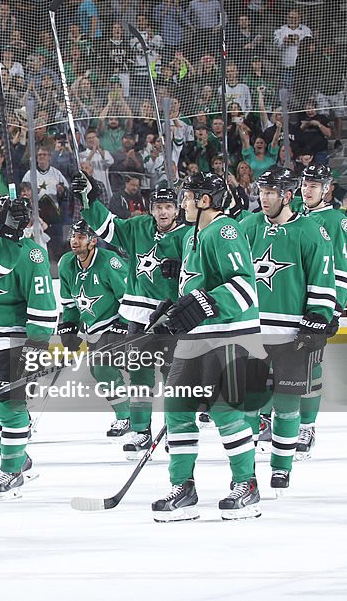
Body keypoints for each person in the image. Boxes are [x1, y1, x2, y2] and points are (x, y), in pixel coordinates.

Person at [149, 172, 262, 522]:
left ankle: (247, 483)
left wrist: (202, 304)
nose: (182, 203)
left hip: (228, 335)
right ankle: (183, 485)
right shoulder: (192, 236)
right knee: (177, 409)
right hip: (195, 339)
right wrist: (175, 306)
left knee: (226, 411)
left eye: (187, 197)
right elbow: (196, 289)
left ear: (204, 200)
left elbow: (245, 288)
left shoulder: (225, 230)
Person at [73, 173, 188, 454]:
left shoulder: (188, 235)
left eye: (168, 207)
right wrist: (89, 198)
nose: (163, 211)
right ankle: (140, 430)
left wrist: (183, 268)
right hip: (138, 315)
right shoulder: (138, 227)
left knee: (176, 376)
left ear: (177, 209)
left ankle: (177, 430)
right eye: (158, 207)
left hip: (170, 317)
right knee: (139, 374)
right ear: (151, 209)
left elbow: (201, 269)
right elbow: (108, 227)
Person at [239, 166, 335, 494]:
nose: (263, 198)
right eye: (261, 192)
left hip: (290, 334)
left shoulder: (310, 231)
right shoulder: (247, 225)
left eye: (270, 193)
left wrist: (318, 318)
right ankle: (245, 472)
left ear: (286, 196)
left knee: (286, 405)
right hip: (251, 331)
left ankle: (282, 467)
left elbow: (322, 279)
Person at [0, 196, 55, 499]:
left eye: (3, 215)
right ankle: (15, 453)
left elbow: (44, 304)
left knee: (10, 406)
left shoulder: (32, 256)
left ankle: (12, 469)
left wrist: (37, 346)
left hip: (14, 340)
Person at [293, 164, 347, 459]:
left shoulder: (337, 220)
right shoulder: (295, 215)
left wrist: (335, 310)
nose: (307, 190)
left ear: (327, 188)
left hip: (317, 306)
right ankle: (279, 421)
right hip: (288, 304)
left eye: (314, 185)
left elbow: (342, 269)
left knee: (309, 366)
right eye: (305, 184)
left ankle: (307, 426)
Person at [56, 218, 135, 446]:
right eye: (73, 236)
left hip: (117, 324)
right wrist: (69, 333)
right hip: (92, 328)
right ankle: (128, 415)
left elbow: (128, 297)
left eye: (80, 237)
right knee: (100, 371)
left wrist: (122, 325)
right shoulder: (66, 264)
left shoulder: (110, 262)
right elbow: (69, 305)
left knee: (104, 367)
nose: (74, 241)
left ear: (93, 241)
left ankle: (130, 417)